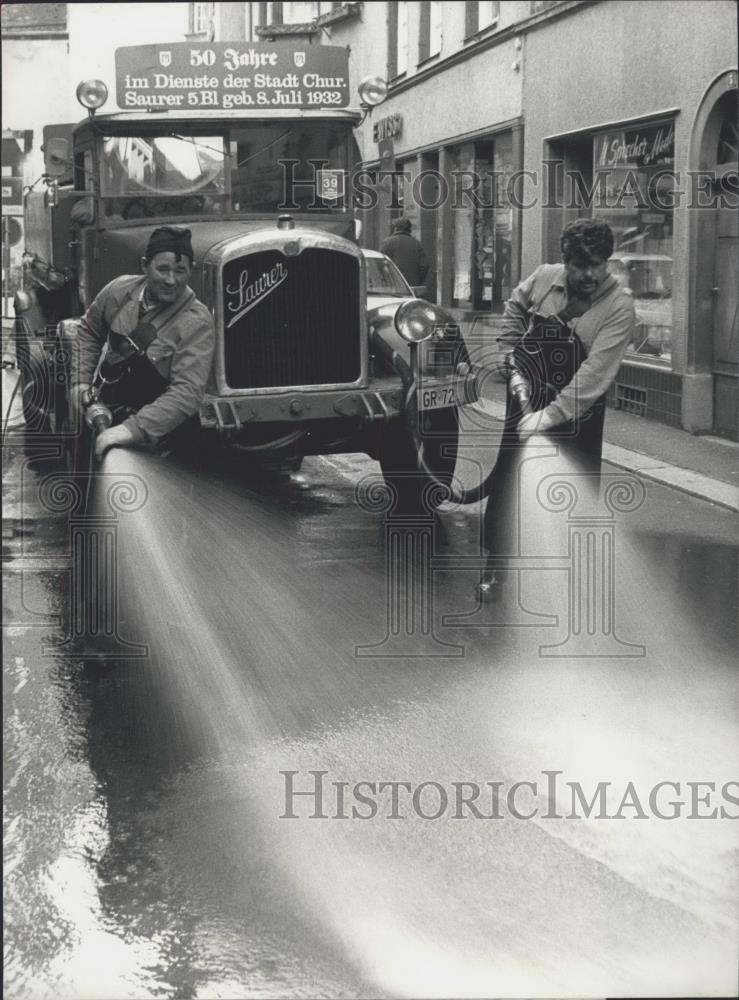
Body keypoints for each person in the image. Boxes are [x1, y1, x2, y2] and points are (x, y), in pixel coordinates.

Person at [478, 218, 635, 600]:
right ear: (565, 262)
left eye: (598, 264)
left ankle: (569, 582)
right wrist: (508, 347)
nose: (590, 274)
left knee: (573, 491)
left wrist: (548, 417)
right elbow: (517, 303)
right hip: (525, 399)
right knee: (508, 483)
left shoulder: (618, 306)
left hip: (576, 415)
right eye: (580, 265)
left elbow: (595, 373)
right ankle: (497, 566)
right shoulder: (545, 278)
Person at [70, 226, 215, 460]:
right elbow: (89, 330)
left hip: (161, 439)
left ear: (191, 271)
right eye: (163, 269)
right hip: (106, 415)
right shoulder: (118, 291)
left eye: (180, 271)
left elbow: (187, 392)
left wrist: (131, 430)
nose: (171, 280)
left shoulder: (196, 322)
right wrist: (80, 382)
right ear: (144, 265)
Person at [380, 217, 430, 288]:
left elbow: (380, 264)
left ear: (395, 229)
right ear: (409, 230)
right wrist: (417, 280)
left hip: (393, 286)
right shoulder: (416, 244)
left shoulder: (387, 243)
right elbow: (424, 266)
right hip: (412, 286)